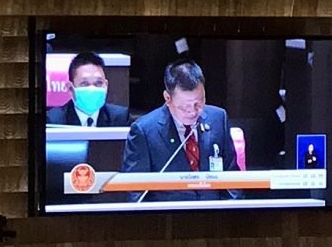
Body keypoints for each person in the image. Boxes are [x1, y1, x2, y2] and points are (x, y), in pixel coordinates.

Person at [120, 60, 241, 199]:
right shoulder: (144, 131)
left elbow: (232, 179)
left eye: (199, 103)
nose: (193, 112)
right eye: (185, 107)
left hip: (214, 214)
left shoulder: (218, 118)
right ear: (167, 98)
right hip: (168, 217)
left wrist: (232, 212)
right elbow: (135, 191)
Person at [47, 50, 131, 130]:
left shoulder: (120, 117)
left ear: (106, 86)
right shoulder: (53, 120)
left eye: (98, 83)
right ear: (70, 89)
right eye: (84, 84)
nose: (92, 89)